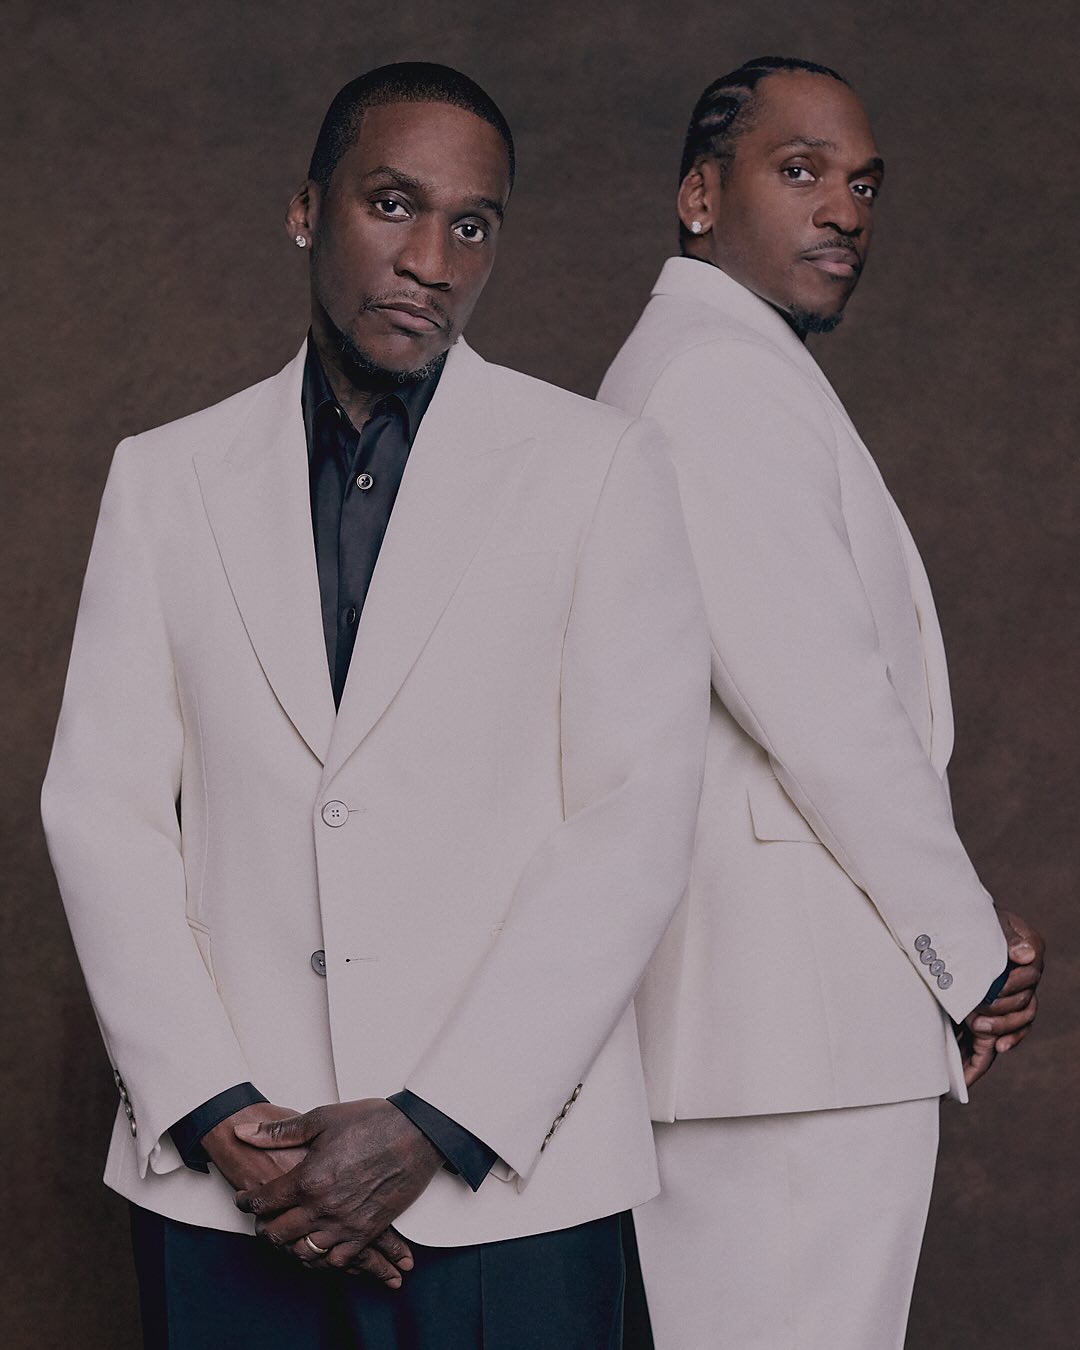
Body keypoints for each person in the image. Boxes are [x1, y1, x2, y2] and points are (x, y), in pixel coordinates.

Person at [41, 62, 709, 1350]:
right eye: (393, 204)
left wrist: (436, 1124)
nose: (432, 261)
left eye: (473, 224)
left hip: (507, 1185)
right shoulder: (165, 480)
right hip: (229, 1175)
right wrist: (212, 1110)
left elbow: (634, 822)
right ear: (307, 211)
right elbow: (103, 812)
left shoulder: (600, 467)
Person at [599, 56, 1045, 1350]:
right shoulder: (711, 378)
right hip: (785, 1039)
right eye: (800, 171)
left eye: (864, 185)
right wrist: (966, 950)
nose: (845, 209)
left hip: (791, 1030)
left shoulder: (726, 365)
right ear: (699, 195)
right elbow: (827, 710)